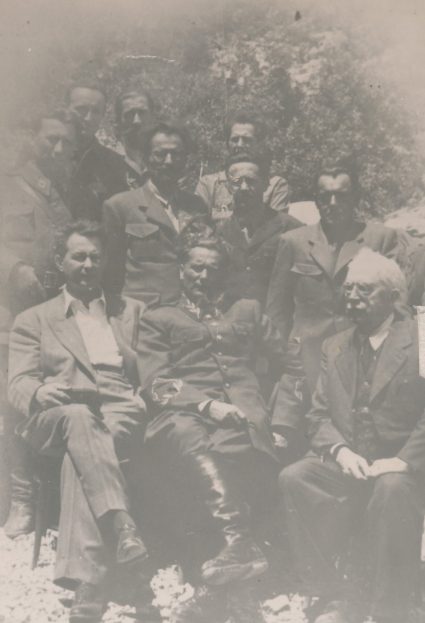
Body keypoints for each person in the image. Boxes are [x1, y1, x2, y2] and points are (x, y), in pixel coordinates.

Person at [8, 220, 156, 623]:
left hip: (117, 406)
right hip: (58, 409)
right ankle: (122, 525)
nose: (88, 264)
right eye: (79, 256)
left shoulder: (130, 312)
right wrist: (38, 393)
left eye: (95, 256)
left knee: (83, 454)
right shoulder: (34, 319)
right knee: (77, 419)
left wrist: (146, 394)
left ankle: (87, 583)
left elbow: (151, 373)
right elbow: (18, 382)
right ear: (61, 260)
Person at [136, 234, 285, 621]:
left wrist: (283, 419)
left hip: (243, 415)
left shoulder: (248, 310)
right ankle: (238, 542)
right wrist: (205, 404)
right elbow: (156, 383)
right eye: (196, 267)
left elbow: (293, 367)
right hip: (183, 414)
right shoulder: (158, 317)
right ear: (181, 270)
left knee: (233, 450)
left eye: (213, 268)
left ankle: (223, 582)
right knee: (188, 439)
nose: (204, 275)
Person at [280, 249, 425, 623]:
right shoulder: (335, 345)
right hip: (353, 462)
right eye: (349, 289)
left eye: (365, 290)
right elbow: (318, 413)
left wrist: (406, 458)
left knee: (392, 487)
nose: (353, 298)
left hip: (406, 464)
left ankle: (386, 608)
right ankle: (334, 594)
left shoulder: (421, 337)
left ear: (394, 297)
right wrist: (341, 450)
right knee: (295, 478)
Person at [266, 157, 413, 445]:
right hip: (304, 362)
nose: (333, 202)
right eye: (325, 196)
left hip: (360, 358)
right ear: (317, 200)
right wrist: (280, 358)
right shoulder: (293, 241)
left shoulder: (381, 239)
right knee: (287, 443)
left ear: (355, 197)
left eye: (341, 195)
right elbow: (277, 311)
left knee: (359, 438)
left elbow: (399, 306)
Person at [0, 110, 75, 539]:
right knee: (14, 402)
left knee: (49, 398)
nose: (59, 149)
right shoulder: (7, 185)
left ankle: (53, 499)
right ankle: (21, 499)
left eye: (66, 142)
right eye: (51, 140)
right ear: (35, 139)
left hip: (53, 313)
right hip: (12, 312)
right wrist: (13, 270)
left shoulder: (65, 193)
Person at [103, 122, 210, 306]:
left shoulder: (196, 206)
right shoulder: (120, 206)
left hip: (192, 312)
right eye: (160, 154)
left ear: (185, 160)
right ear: (146, 158)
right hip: (145, 315)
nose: (168, 161)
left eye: (176, 154)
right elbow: (110, 275)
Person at [218, 151, 300, 308]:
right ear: (228, 186)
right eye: (236, 181)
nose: (243, 187)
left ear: (265, 184)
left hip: (276, 323)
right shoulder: (221, 232)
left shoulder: (291, 229)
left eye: (251, 181)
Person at [196, 111, 289, 222]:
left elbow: (275, 226)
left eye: (247, 140)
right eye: (235, 139)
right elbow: (198, 224)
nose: (240, 145)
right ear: (227, 143)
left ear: (259, 143)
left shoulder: (275, 184)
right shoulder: (208, 184)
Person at [66, 83, 130, 220]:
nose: (88, 118)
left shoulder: (115, 164)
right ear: (66, 109)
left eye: (95, 111)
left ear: (102, 116)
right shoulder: (43, 156)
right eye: (81, 109)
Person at [113, 89, 157, 189]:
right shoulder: (109, 162)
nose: (136, 121)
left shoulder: (167, 159)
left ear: (153, 117)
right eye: (129, 114)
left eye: (142, 113)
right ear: (118, 121)